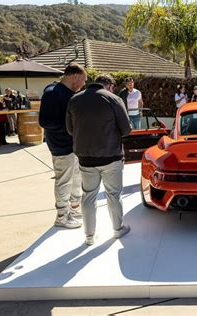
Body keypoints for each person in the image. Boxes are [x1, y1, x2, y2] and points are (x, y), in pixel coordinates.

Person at [66, 74, 132, 246]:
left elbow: (70, 129)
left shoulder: (74, 100)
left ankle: (89, 236)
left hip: (85, 157)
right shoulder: (114, 99)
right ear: (109, 85)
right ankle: (118, 229)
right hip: (111, 157)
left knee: (88, 196)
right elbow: (126, 129)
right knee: (114, 195)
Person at [39, 63, 87, 229]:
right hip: (61, 145)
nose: (83, 84)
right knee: (64, 181)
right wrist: (71, 127)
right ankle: (61, 216)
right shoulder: (52, 93)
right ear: (74, 76)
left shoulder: (68, 93)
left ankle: (74, 209)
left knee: (76, 178)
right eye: (83, 80)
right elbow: (45, 121)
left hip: (73, 145)